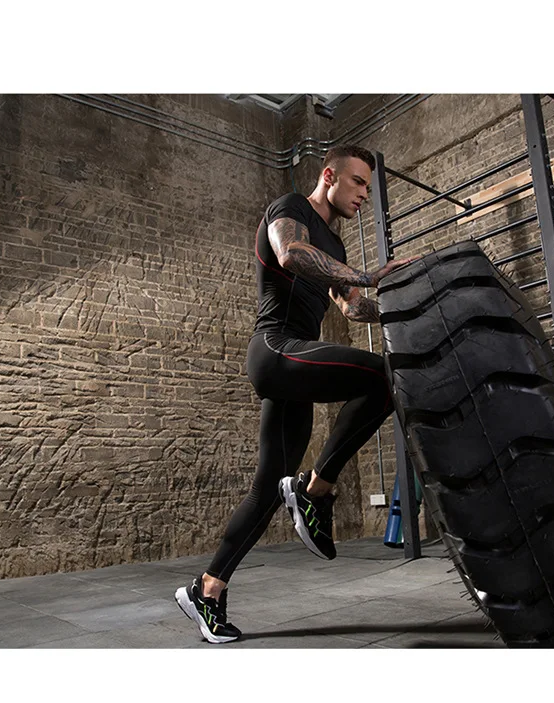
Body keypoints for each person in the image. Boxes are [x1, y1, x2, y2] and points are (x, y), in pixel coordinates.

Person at [174, 145, 418, 643]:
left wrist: (406, 309)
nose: (364, 194)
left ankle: (207, 589)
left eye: (368, 186)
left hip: (295, 366)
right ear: (329, 175)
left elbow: (351, 308)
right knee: (381, 378)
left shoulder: (337, 247)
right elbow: (292, 254)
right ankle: (315, 489)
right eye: (357, 182)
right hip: (276, 349)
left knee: (266, 490)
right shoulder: (291, 209)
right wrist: (367, 275)